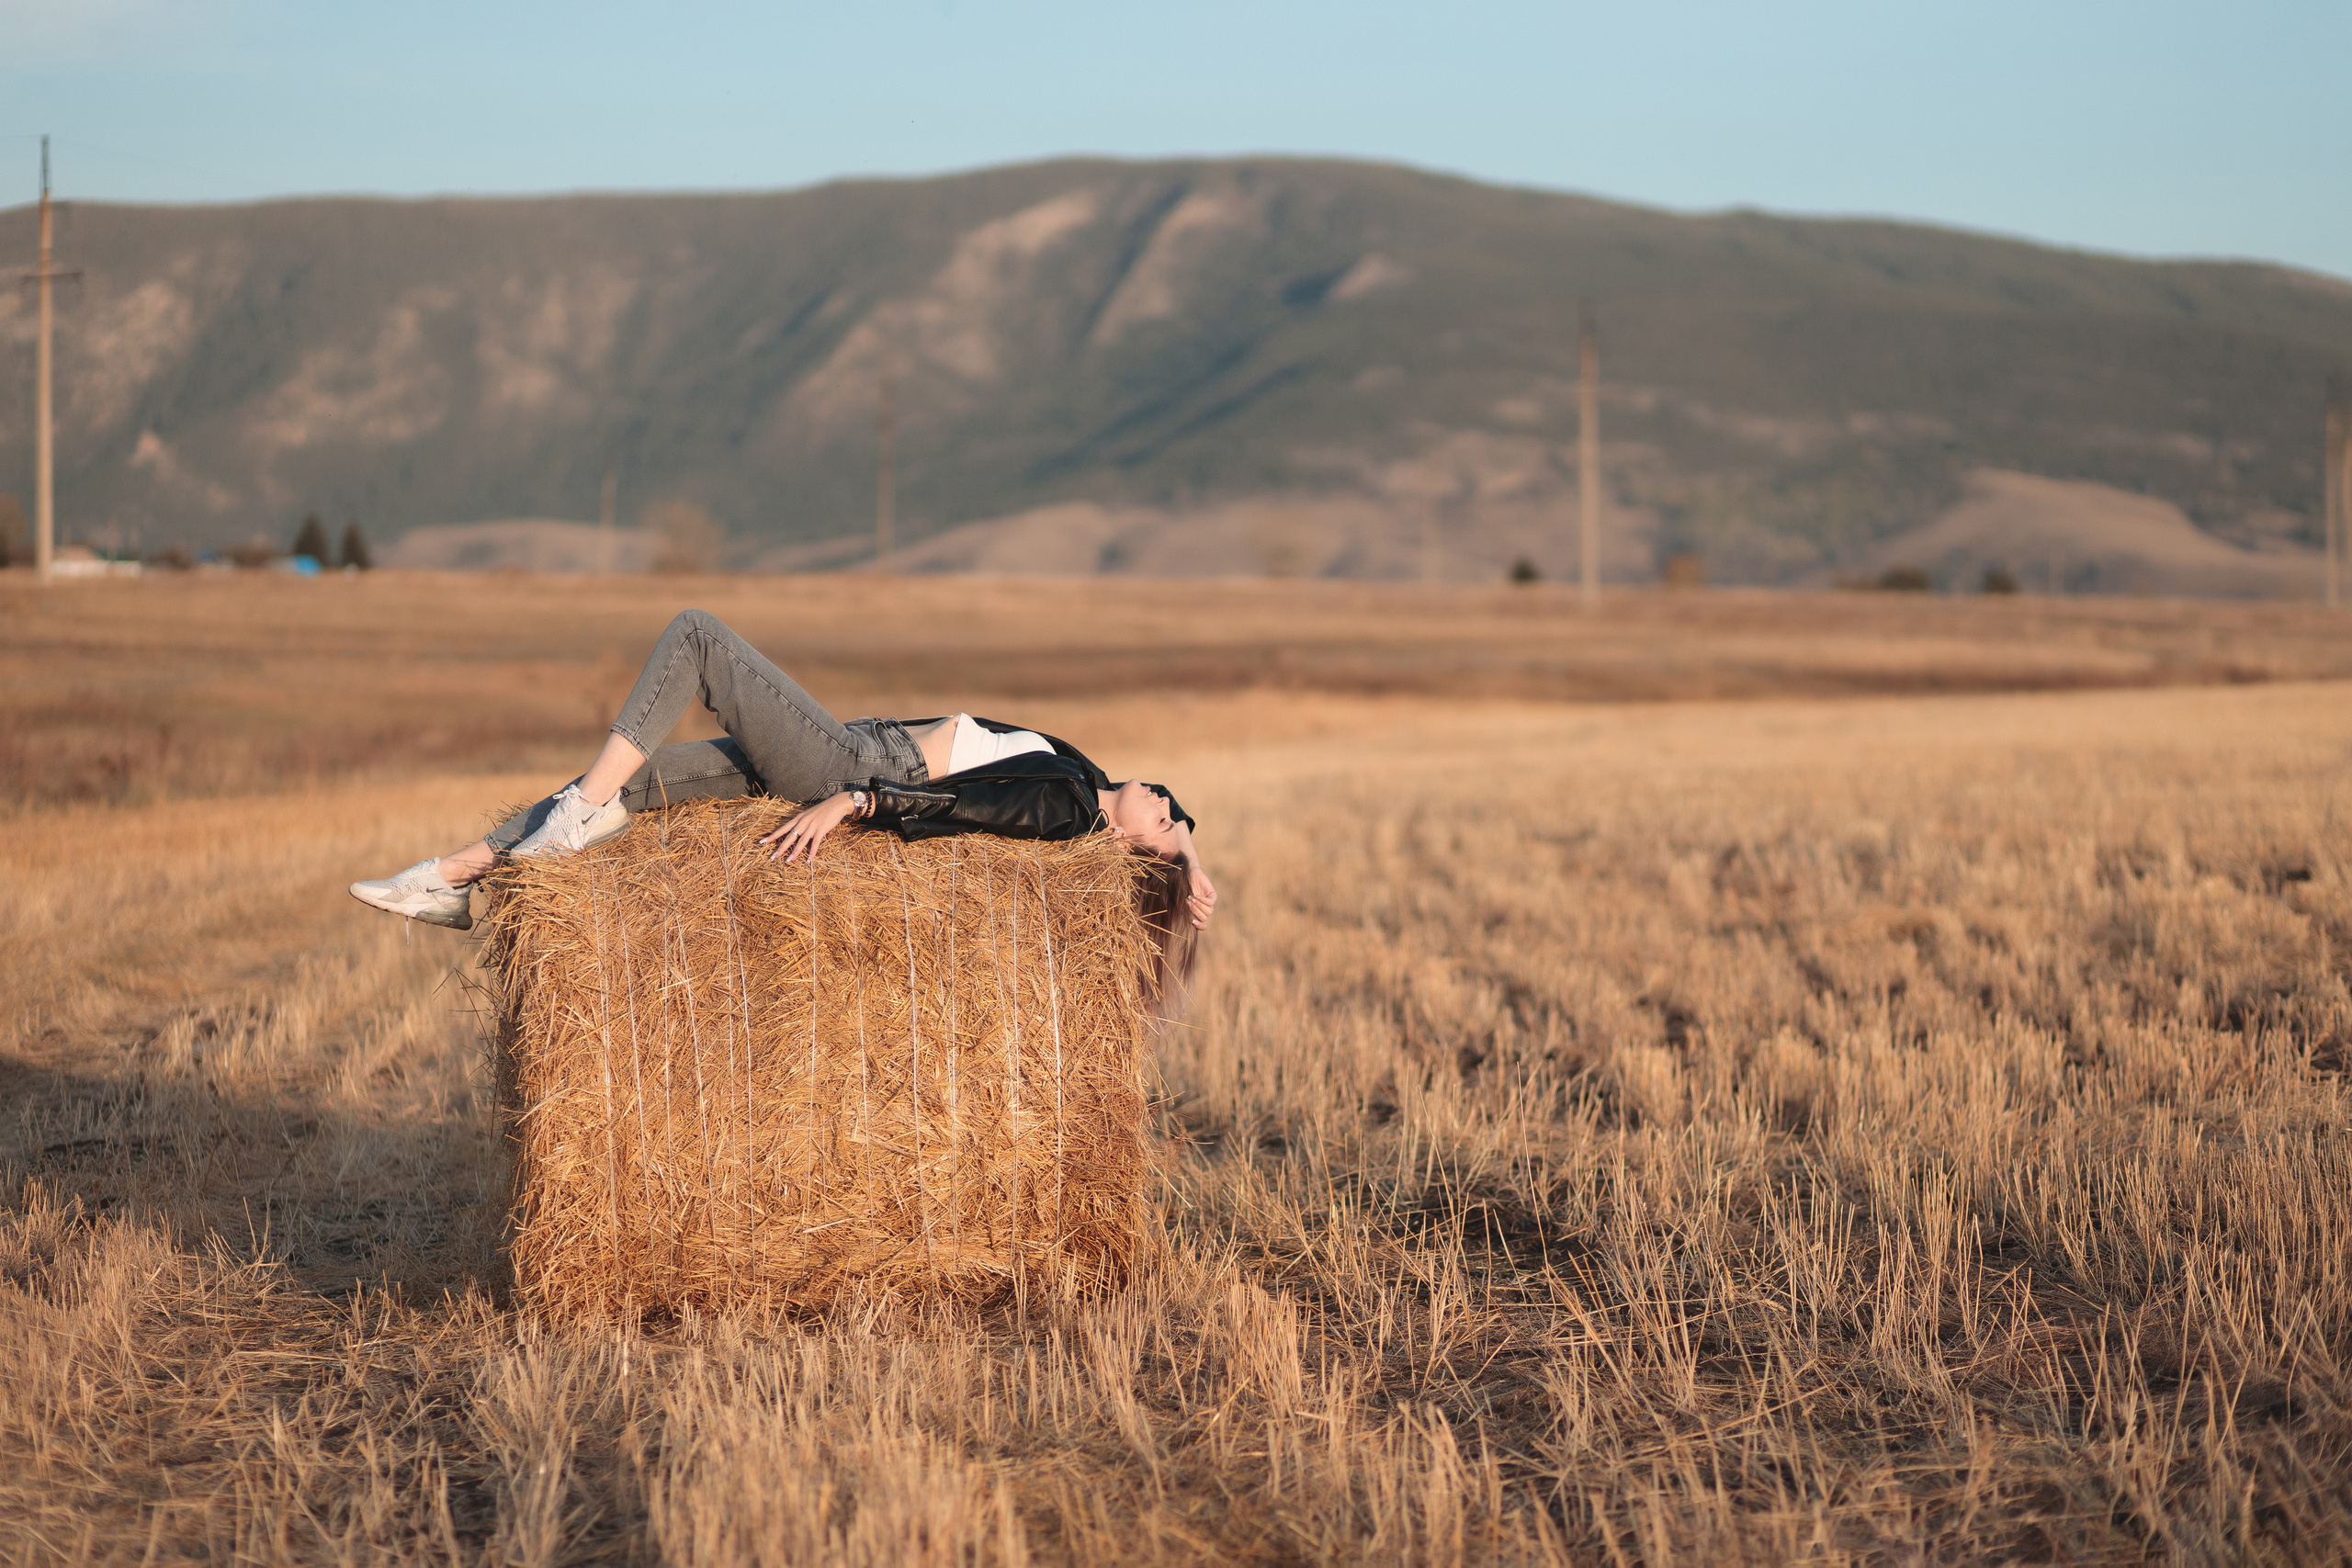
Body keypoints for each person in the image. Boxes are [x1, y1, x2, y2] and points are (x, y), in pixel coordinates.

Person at [349, 610, 1216, 985]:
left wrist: (857, 802)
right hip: (858, 752)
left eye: (1166, 819)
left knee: (695, 635)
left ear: (1133, 841)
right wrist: (1194, 857)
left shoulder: (1067, 804)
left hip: (861, 765)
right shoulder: (1084, 771)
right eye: (1172, 802)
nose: (1164, 800)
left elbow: (968, 810)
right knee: (635, 783)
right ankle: (457, 877)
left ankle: (559, 832)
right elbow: (1154, 822)